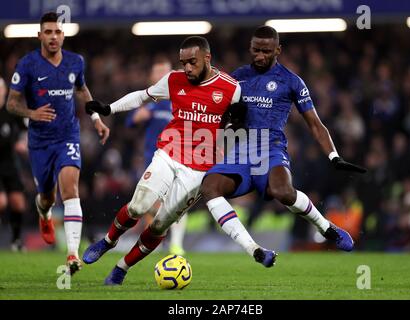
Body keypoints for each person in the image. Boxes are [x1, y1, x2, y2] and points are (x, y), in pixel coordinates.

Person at [83, 36, 276, 285]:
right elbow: (142, 96)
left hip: (199, 170)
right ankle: (107, 242)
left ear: (207, 58)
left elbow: (239, 126)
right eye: (183, 62)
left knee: (159, 226)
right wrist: (109, 109)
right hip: (168, 153)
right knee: (137, 208)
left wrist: (236, 128)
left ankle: (121, 268)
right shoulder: (174, 80)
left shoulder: (231, 88)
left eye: (192, 62)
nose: (187, 68)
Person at [200, 26, 367, 253]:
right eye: (255, 50)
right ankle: (254, 250)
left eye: (266, 51)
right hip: (239, 150)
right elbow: (219, 115)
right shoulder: (237, 78)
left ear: (278, 50)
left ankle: (327, 228)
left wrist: (334, 156)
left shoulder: (291, 82)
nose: (259, 55)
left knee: (283, 192)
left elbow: (315, 124)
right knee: (209, 187)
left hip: (271, 148)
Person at [6, 12, 110, 274]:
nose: (53, 37)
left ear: (63, 35)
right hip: (40, 141)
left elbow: (82, 91)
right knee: (47, 197)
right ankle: (44, 214)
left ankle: (72, 254)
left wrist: (96, 117)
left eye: (58, 32)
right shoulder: (27, 64)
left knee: (71, 189)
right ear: (40, 35)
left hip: (68, 136)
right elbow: (11, 103)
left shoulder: (76, 62)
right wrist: (32, 114)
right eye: (48, 32)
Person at [124, 59, 187, 256]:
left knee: (180, 200)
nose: (161, 76)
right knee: (150, 205)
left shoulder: (181, 99)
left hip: (180, 158)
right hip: (153, 160)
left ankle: (176, 245)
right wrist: (136, 117)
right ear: (151, 77)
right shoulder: (150, 102)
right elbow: (129, 123)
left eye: (164, 72)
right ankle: (156, 237)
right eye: (157, 72)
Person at [0, 76, 27, 251]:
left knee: (18, 202)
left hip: (9, 161)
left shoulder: (10, 110)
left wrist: (23, 142)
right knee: (1, 202)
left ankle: (16, 241)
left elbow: (26, 127)